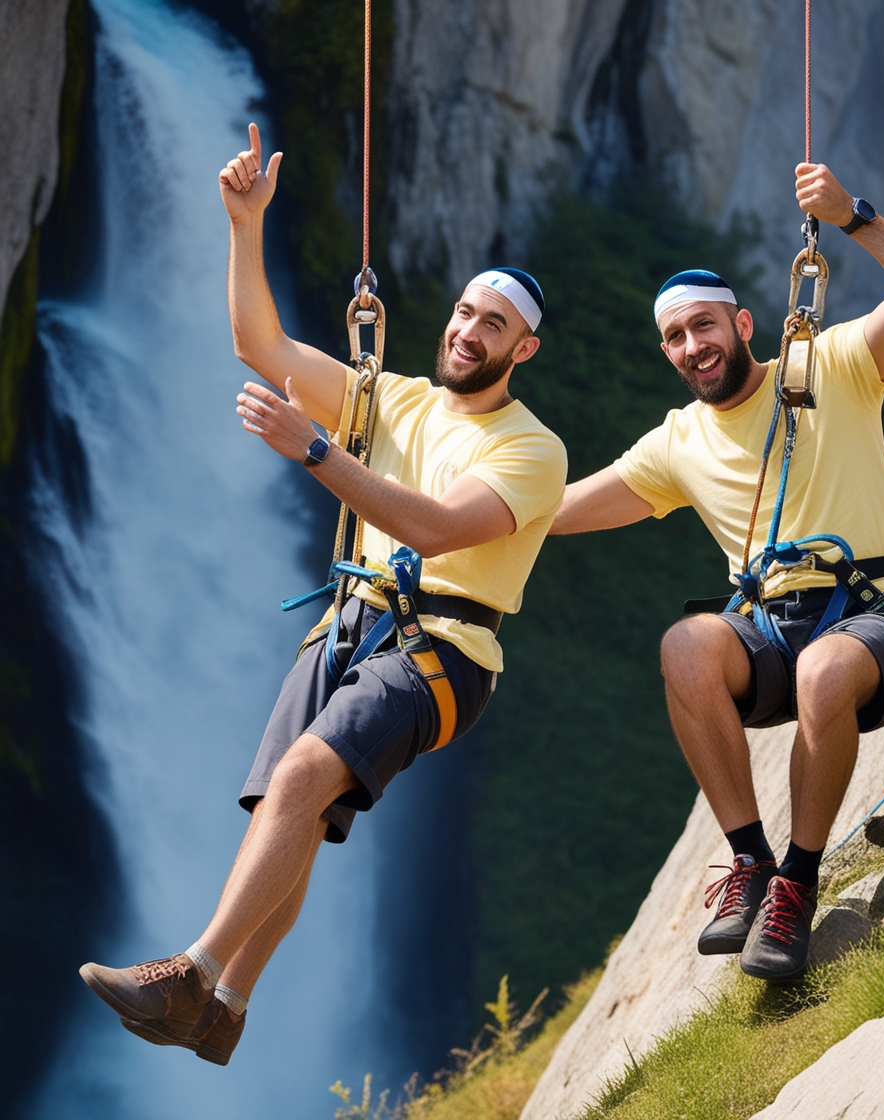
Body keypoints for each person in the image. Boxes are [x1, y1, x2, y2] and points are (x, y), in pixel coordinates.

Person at [79, 124, 567, 1062]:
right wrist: (243, 224)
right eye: (465, 313)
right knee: (288, 806)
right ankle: (226, 1010)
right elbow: (256, 342)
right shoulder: (394, 398)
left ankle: (191, 973)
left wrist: (314, 448)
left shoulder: (533, 448)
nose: (468, 332)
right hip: (349, 626)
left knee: (302, 777)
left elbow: (434, 528)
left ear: (525, 349)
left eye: (493, 326)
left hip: (443, 651)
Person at [551, 162, 884, 981]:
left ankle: (795, 886)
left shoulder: (833, 364)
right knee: (685, 646)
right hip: (772, 632)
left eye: (704, 326)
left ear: (743, 324)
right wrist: (421, 512)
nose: (693, 346)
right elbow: (554, 511)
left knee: (823, 670)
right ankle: (750, 862)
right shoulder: (676, 443)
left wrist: (852, 217)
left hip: (879, 618)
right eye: (676, 337)